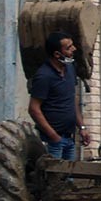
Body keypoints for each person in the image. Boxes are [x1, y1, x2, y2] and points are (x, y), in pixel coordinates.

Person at [28, 31, 81, 161]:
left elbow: (72, 99)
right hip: (53, 142)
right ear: (57, 54)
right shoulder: (44, 76)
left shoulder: (70, 69)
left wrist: (82, 127)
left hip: (69, 139)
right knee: (53, 173)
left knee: (70, 173)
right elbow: (34, 109)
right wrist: (53, 136)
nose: (74, 49)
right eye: (68, 47)